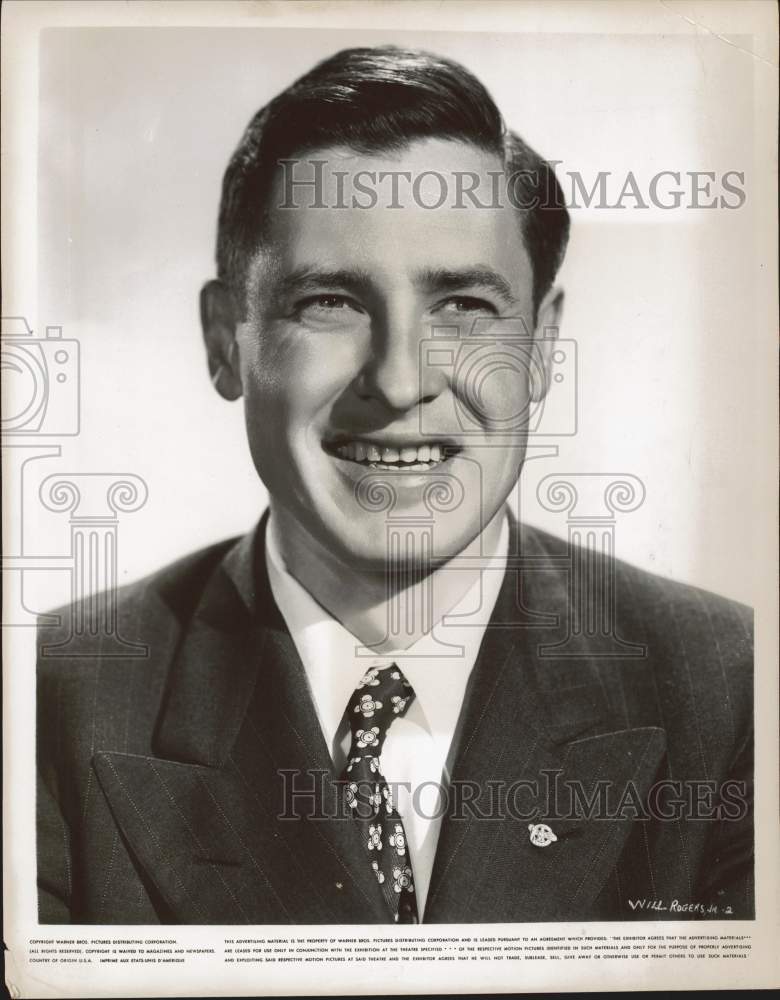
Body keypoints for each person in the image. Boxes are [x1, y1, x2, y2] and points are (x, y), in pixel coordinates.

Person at [37, 45, 753, 925]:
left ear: (542, 348)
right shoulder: (46, 704)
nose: (402, 378)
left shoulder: (739, 695)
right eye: (330, 301)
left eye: (463, 306)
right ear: (227, 340)